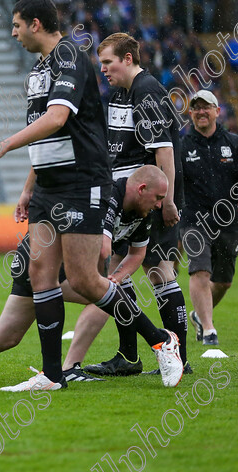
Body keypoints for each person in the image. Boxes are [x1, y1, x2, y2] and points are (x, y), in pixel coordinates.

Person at [0, 0, 182, 390]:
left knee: (87, 279)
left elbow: (58, 118)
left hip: (82, 182)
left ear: (36, 24)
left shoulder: (69, 56)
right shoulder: (38, 70)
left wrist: (2, 146)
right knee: (41, 273)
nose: (12, 33)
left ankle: (161, 340)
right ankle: (53, 376)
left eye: (17, 25)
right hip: (49, 187)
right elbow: (47, 135)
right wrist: (28, 187)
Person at [0, 165, 167, 384]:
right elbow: (102, 250)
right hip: (43, 259)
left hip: (36, 256)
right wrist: (105, 279)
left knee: (6, 336)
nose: (159, 205)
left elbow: (135, 254)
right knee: (99, 295)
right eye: (157, 199)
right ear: (141, 189)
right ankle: (71, 367)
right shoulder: (109, 193)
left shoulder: (138, 210)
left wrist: (114, 277)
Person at [64, 32, 188, 377]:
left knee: (160, 271)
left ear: (129, 59)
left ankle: (181, 357)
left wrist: (168, 202)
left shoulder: (147, 91)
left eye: (109, 63)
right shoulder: (120, 93)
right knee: (118, 268)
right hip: (126, 200)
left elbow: (164, 151)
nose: (103, 69)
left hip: (151, 198)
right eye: (101, 63)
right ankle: (129, 357)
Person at [181, 90, 238, 347]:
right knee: (200, 270)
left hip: (228, 223)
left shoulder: (233, 143)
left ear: (217, 111)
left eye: (207, 107)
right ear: (190, 113)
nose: (201, 111)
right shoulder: (181, 146)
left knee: (224, 281)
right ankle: (208, 330)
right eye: (196, 108)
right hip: (194, 221)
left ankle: (198, 315)